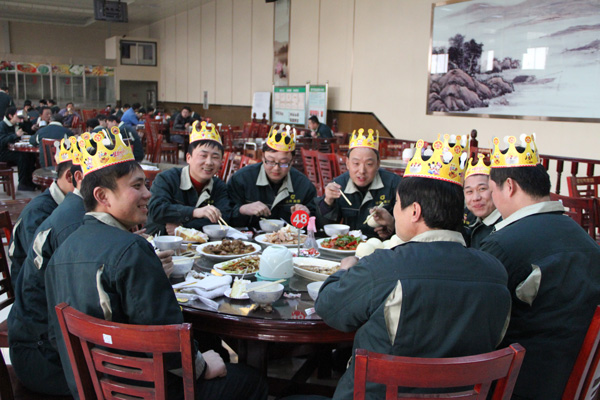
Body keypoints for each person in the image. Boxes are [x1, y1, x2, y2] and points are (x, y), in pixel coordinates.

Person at [44, 128, 268, 400]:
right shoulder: (132, 250)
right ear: (103, 196)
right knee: (251, 380)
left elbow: (57, 335)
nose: (148, 194)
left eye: (146, 185)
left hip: (91, 388)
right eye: (137, 186)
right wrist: (201, 365)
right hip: (146, 390)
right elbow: (166, 339)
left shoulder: (62, 250)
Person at [315, 135, 511, 400]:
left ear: (415, 211)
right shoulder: (495, 272)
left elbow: (329, 308)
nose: (395, 212)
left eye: (397, 204)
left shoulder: (385, 267)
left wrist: (344, 270)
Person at [480, 134, 600, 400]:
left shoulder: (503, 245)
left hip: (517, 384)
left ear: (509, 186)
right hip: (577, 383)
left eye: (491, 189)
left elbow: (477, 322)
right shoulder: (587, 242)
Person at [7, 138, 84, 395]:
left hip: (53, 323)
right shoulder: (44, 215)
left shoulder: (73, 211)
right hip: (38, 335)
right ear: (74, 177)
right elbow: (54, 280)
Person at [8, 138, 77, 279]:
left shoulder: (74, 205)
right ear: (70, 177)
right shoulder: (38, 213)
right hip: (34, 285)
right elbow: (38, 267)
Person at [147, 121, 231, 235]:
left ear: (221, 162)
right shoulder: (167, 178)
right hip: (159, 241)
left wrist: (184, 227)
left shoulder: (219, 187)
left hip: (203, 244)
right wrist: (194, 212)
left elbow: (224, 217)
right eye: (203, 155)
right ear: (188, 158)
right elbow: (156, 210)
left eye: (215, 157)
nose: (209, 162)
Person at [315, 128, 401, 239]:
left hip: (384, 246)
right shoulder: (339, 185)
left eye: (369, 164)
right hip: (349, 245)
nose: (362, 171)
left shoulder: (394, 184)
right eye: (356, 163)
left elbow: (410, 229)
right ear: (347, 163)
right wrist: (328, 202)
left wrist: (392, 224)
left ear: (378, 164)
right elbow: (323, 227)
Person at [228, 125, 317, 229]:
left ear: (292, 161)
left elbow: (315, 222)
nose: (276, 168)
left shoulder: (303, 185)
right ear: (262, 157)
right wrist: (243, 210)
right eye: (270, 161)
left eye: (283, 163)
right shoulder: (242, 179)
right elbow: (226, 216)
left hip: (289, 238)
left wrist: (306, 214)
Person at [462, 154, 501, 248]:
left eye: (482, 189)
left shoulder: (505, 224)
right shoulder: (466, 218)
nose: (476, 198)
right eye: (469, 191)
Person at [0, 107, 37, 191]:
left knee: (30, 155)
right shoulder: (2, 125)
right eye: (17, 116)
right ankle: (22, 183)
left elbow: (28, 131)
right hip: (3, 152)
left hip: (12, 150)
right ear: (10, 116)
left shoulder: (16, 124)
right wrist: (15, 135)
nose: (20, 119)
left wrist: (27, 121)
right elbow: (1, 141)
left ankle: (30, 181)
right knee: (21, 156)